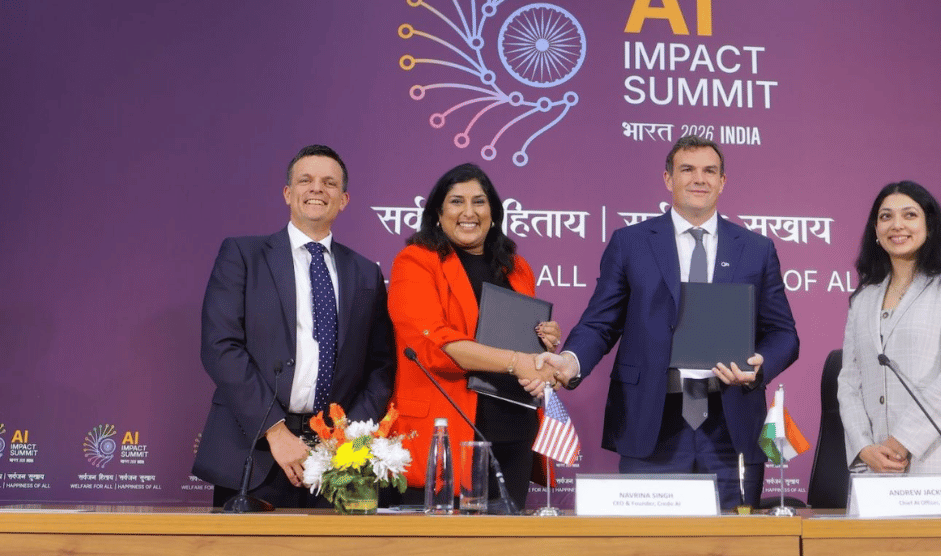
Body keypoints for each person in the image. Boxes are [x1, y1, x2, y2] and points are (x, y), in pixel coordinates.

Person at [543, 135, 800, 510]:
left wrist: (760, 365)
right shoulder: (630, 243)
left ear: (722, 182)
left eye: (709, 171)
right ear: (668, 179)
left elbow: (783, 333)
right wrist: (570, 361)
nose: (699, 179)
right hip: (652, 421)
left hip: (730, 425)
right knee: (651, 542)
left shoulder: (757, 249)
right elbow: (600, 323)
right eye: (687, 170)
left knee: (734, 541)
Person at [194, 144, 397, 508]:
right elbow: (220, 346)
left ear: (344, 199)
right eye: (306, 180)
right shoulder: (243, 255)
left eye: (329, 183)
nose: (317, 188)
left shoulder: (366, 273)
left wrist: (346, 439)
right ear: (288, 193)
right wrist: (274, 431)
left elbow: (380, 366)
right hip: (254, 452)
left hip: (336, 463)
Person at [387, 163, 560, 510]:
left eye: (479, 201)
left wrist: (544, 340)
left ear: (493, 213)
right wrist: (518, 361)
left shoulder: (517, 267)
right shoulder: (415, 261)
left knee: (506, 542)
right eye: (456, 201)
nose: (469, 212)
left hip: (515, 430)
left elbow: (520, 342)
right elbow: (435, 345)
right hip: (448, 432)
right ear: (438, 213)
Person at [837, 180, 941, 479]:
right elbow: (849, 381)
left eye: (909, 215)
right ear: (875, 230)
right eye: (886, 216)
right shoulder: (864, 298)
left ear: (930, 225)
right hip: (876, 468)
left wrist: (902, 441)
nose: (897, 225)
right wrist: (864, 447)